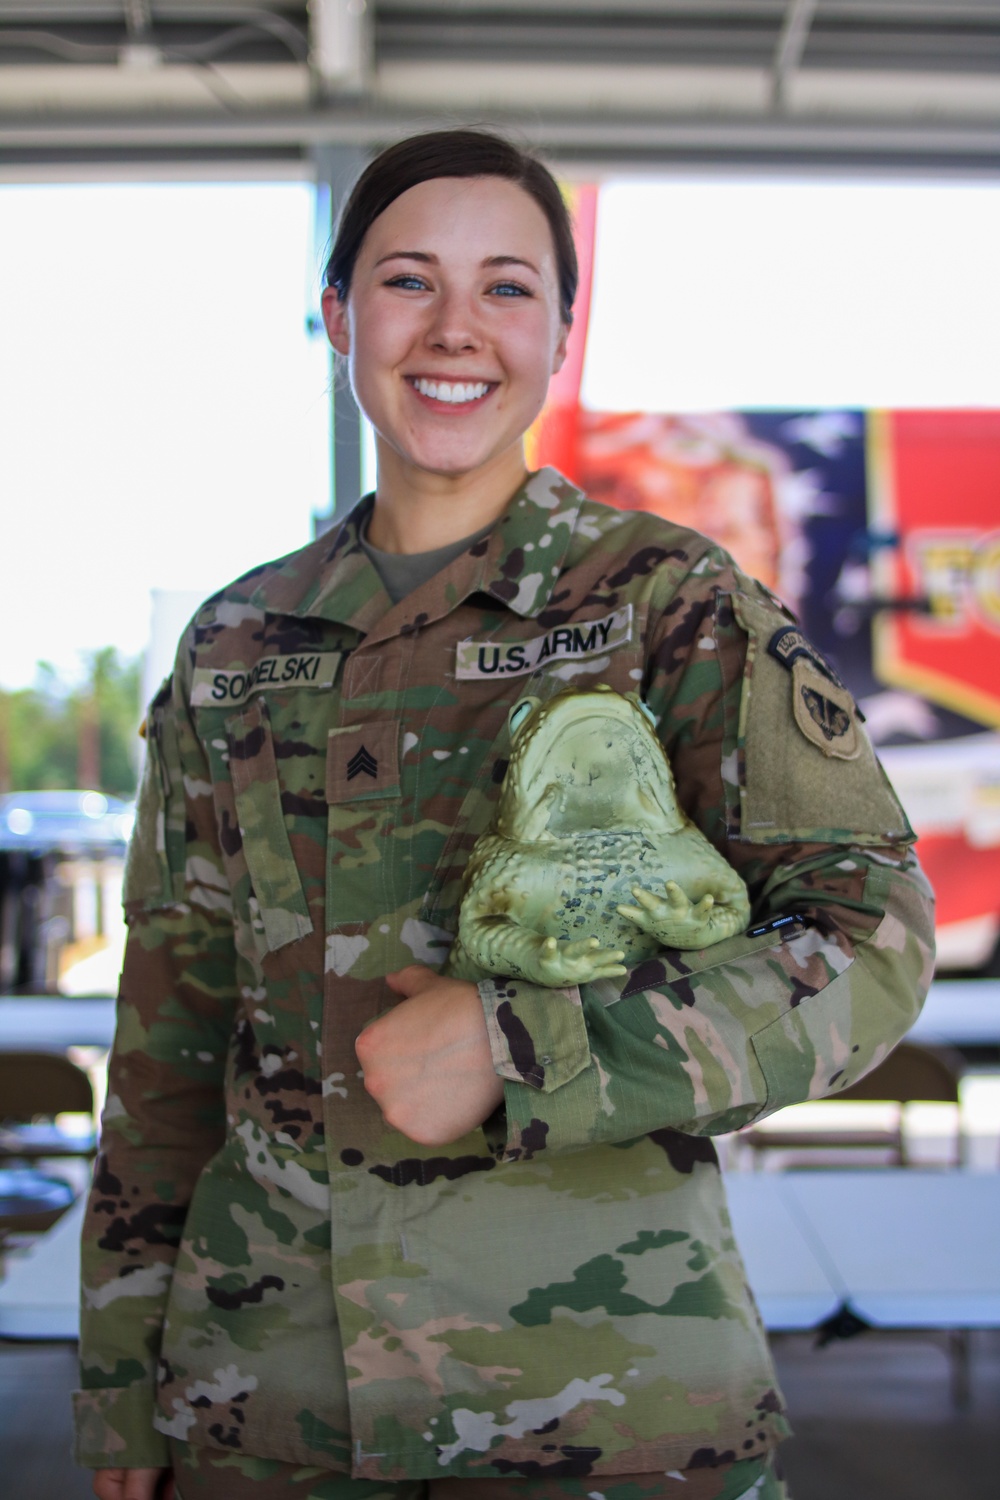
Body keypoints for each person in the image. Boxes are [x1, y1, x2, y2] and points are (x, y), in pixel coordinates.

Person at [75, 129, 934, 1500]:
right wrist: (123, 1393)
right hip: (264, 1414)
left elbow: (873, 939)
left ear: (564, 333)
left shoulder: (667, 606)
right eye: (410, 282)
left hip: (606, 1416)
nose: (456, 329)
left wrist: (520, 1046)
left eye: (508, 288)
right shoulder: (235, 641)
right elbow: (169, 1043)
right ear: (339, 318)